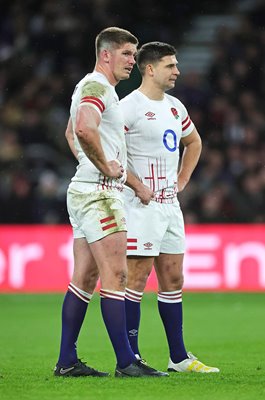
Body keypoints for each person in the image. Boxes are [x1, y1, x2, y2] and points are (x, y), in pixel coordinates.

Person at [54, 28, 168, 378]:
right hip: (100, 196)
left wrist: (109, 171)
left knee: (84, 278)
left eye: (134, 55)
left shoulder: (97, 90)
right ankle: (126, 362)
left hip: (88, 189)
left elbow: (72, 133)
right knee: (116, 275)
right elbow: (85, 130)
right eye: (128, 54)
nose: (133, 62)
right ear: (106, 54)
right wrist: (104, 167)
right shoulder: (97, 87)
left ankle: (67, 361)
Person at [120, 42, 220, 373]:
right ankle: (130, 359)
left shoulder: (176, 107)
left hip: (170, 205)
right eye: (170, 65)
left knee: (173, 278)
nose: (177, 70)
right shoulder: (128, 108)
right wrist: (136, 184)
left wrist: (182, 180)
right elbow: (111, 155)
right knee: (137, 277)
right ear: (149, 69)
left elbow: (194, 142)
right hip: (140, 205)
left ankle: (178, 358)